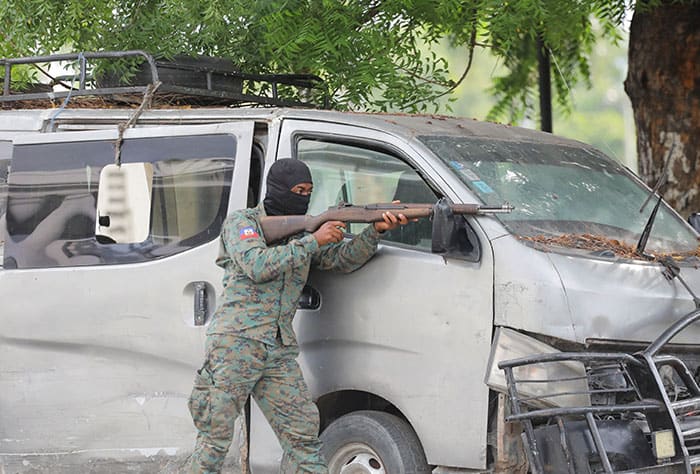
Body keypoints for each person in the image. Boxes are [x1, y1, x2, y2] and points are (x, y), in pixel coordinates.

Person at [187, 159, 408, 473]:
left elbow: (341, 260)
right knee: (215, 442)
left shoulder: (305, 233)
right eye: (298, 190)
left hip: (277, 352)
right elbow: (257, 264)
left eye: (309, 191)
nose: (304, 196)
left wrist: (374, 231)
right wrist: (312, 239)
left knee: (304, 442)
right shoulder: (243, 223)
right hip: (236, 346)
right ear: (277, 189)